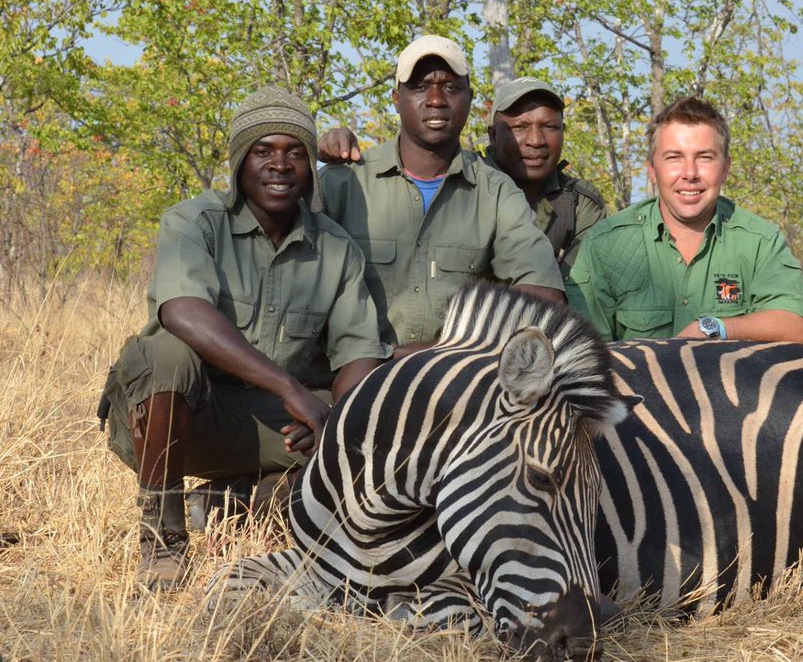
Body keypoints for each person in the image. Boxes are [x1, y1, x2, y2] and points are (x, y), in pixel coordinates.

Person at [100, 87, 391, 589]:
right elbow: (182, 311)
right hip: (176, 415)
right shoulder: (195, 220)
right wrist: (291, 391)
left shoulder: (337, 248)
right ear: (239, 162)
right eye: (263, 151)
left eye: (296, 152)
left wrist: (331, 422)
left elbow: (358, 353)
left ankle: (229, 503)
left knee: (368, 435)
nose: (280, 165)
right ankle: (162, 541)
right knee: (168, 355)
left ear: (310, 169)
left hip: (267, 426)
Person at [317, 35, 564, 358]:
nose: (436, 99)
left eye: (450, 87)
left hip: (455, 377)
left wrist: (446, 351)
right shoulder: (344, 181)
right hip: (349, 378)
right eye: (420, 87)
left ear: (470, 98)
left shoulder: (496, 192)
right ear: (395, 99)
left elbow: (543, 297)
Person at [566, 96, 803, 343]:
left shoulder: (760, 242)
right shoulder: (606, 244)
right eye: (674, 157)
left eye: (705, 157)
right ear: (652, 170)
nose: (690, 173)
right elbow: (584, 351)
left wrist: (715, 327)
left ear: (725, 167)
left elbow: (796, 327)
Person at [484, 77, 608, 277]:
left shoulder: (579, 204)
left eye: (549, 127)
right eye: (520, 127)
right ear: (493, 136)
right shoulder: (463, 191)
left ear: (563, 132)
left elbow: (581, 293)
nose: (536, 141)